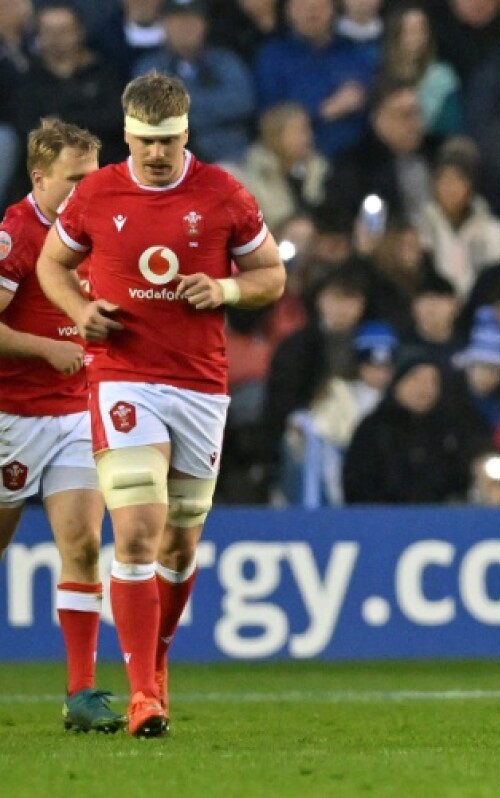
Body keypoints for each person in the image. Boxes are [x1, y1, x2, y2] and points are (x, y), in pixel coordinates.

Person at [36, 72, 287, 737]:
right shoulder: (95, 194)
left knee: (179, 545)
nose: (157, 152)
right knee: (139, 530)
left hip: (200, 385)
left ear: (186, 132)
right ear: (127, 133)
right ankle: (144, 695)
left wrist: (228, 292)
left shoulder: (224, 194)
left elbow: (272, 275)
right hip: (123, 379)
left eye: (169, 140)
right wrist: (80, 310)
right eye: (146, 140)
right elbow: (52, 266)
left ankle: (156, 662)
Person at [0, 118, 124, 733]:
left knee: (80, 545)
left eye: (92, 177)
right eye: (73, 180)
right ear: (39, 177)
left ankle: (81, 694)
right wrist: (45, 349)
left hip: (76, 411)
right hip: (11, 417)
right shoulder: (15, 234)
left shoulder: (101, 231)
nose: (84, 190)